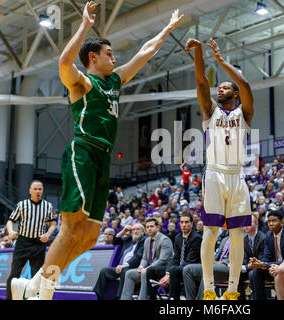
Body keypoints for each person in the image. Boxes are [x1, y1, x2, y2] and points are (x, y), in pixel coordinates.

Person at [15, 2, 183, 300]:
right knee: (70, 228)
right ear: (93, 57)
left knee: (90, 236)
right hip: (82, 152)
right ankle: (44, 293)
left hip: (103, 158)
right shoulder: (82, 83)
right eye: (109, 53)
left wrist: (166, 30)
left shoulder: (115, 80)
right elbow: (64, 63)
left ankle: (36, 280)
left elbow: (144, 53)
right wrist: (84, 26)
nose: (114, 57)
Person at [185, 37, 254, 300]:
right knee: (211, 231)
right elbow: (201, 81)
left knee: (237, 234)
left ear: (234, 94)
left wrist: (222, 61)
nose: (220, 89)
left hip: (237, 176)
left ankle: (234, 290)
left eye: (226, 87)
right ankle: (210, 289)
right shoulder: (210, 112)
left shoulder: (244, 115)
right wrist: (199, 52)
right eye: (220, 87)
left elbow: (246, 84)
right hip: (214, 173)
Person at [8, 180, 57, 300]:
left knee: (37, 276)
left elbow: (53, 224)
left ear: (42, 191)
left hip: (38, 244)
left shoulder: (48, 206)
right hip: (23, 242)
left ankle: (34, 298)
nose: (38, 191)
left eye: (40, 189)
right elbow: (11, 221)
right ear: (30, 191)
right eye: (35, 189)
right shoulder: (22, 205)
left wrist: (47, 234)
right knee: (14, 274)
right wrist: (10, 232)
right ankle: (9, 298)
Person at [145, 213, 202, 300]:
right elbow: (175, 258)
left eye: (186, 222)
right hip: (177, 268)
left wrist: (170, 274)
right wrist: (167, 273)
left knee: (174, 271)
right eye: (182, 222)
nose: (184, 225)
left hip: (191, 268)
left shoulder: (196, 238)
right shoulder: (178, 237)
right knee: (151, 270)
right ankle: (151, 298)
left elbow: (190, 260)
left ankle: (173, 298)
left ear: (191, 224)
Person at [120, 218, 173, 300]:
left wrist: (147, 268)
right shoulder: (147, 240)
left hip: (163, 269)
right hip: (149, 268)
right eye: (147, 227)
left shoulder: (165, 240)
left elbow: (163, 260)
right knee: (129, 273)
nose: (149, 228)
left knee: (145, 272)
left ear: (157, 227)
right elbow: (145, 258)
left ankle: (143, 298)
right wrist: (141, 266)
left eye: (151, 226)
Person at [248, 210, 284, 300]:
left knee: (277, 272)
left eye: (274, 221)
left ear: (281, 223)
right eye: (269, 221)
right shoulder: (268, 235)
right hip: (273, 267)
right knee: (254, 273)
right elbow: (267, 257)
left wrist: (264, 264)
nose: (271, 224)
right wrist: (258, 263)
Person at [93, 223, 146, 300]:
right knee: (104, 270)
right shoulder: (130, 239)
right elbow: (115, 241)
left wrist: (125, 265)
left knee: (125, 271)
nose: (135, 231)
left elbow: (138, 256)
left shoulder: (144, 240)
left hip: (133, 267)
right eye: (133, 230)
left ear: (143, 231)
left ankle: (120, 297)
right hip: (120, 267)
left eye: (138, 229)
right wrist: (123, 231)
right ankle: (98, 295)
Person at [182, 235, 231, 300]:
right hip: (215, 265)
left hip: (229, 267)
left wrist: (222, 262)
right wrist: (211, 260)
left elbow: (242, 257)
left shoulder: (242, 237)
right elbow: (217, 255)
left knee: (207, 270)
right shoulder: (225, 238)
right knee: (187, 269)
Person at [238, 212, 265, 300]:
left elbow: (262, 260)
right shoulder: (244, 239)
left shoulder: (262, 238)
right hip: (250, 267)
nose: (246, 225)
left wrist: (245, 267)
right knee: (236, 273)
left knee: (253, 273)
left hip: (262, 268)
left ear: (256, 224)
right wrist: (238, 266)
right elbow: (244, 258)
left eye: (249, 223)